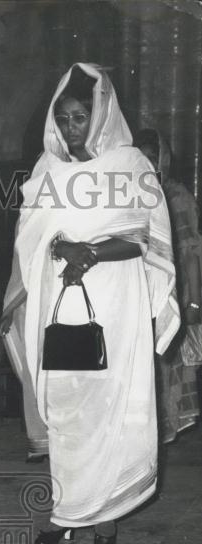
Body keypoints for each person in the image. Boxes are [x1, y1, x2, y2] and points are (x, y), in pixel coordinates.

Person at [0, 63, 179, 544]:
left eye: (79, 116)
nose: (70, 127)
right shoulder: (47, 169)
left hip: (114, 295)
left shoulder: (131, 166)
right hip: (61, 294)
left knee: (108, 398)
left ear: (100, 113)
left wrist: (93, 252)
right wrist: (63, 248)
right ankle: (65, 509)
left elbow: (148, 239)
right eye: (63, 118)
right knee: (66, 397)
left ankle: (106, 511)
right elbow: (30, 235)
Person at [133, 128, 201, 443]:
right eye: (139, 158)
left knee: (166, 361)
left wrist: (194, 302)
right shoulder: (132, 196)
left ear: (162, 160)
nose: (145, 165)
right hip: (139, 291)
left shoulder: (176, 196)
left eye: (150, 158)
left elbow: (190, 252)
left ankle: (161, 434)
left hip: (172, 290)